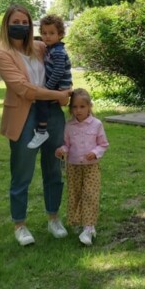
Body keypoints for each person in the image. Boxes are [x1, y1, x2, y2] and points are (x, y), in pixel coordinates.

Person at [0, 4, 71, 246]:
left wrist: (66, 91)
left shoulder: (40, 47)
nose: (21, 26)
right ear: (6, 25)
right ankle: (20, 224)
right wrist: (58, 94)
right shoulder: (2, 54)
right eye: (15, 22)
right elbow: (24, 90)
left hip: (52, 113)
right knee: (22, 173)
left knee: (54, 168)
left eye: (25, 22)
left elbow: (62, 64)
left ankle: (53, 217)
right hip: (24, 116)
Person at [55, 88, 109, 246]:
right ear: (70, 108)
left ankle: (89, 227)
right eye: (75, 107)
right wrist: (62, 150)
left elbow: (103, 144)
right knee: (76, 194)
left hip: (91, 167)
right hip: (73, 167)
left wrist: (95, 153)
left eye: (82, 107)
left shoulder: (97, 124)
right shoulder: (69, 125)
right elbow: (67, 144)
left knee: (90, 194)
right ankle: (81, 222)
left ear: (89, 107)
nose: (78, 110)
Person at [26, 14, 73, 149]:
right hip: (56, 84)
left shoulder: (57, 51)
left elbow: (58, 71)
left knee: (41, 100)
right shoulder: (50, 49)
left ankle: (42, 131)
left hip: (59, 85)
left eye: (52, 33)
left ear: (60, 34)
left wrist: (47, 88)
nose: (47, 36)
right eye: (44, 33)